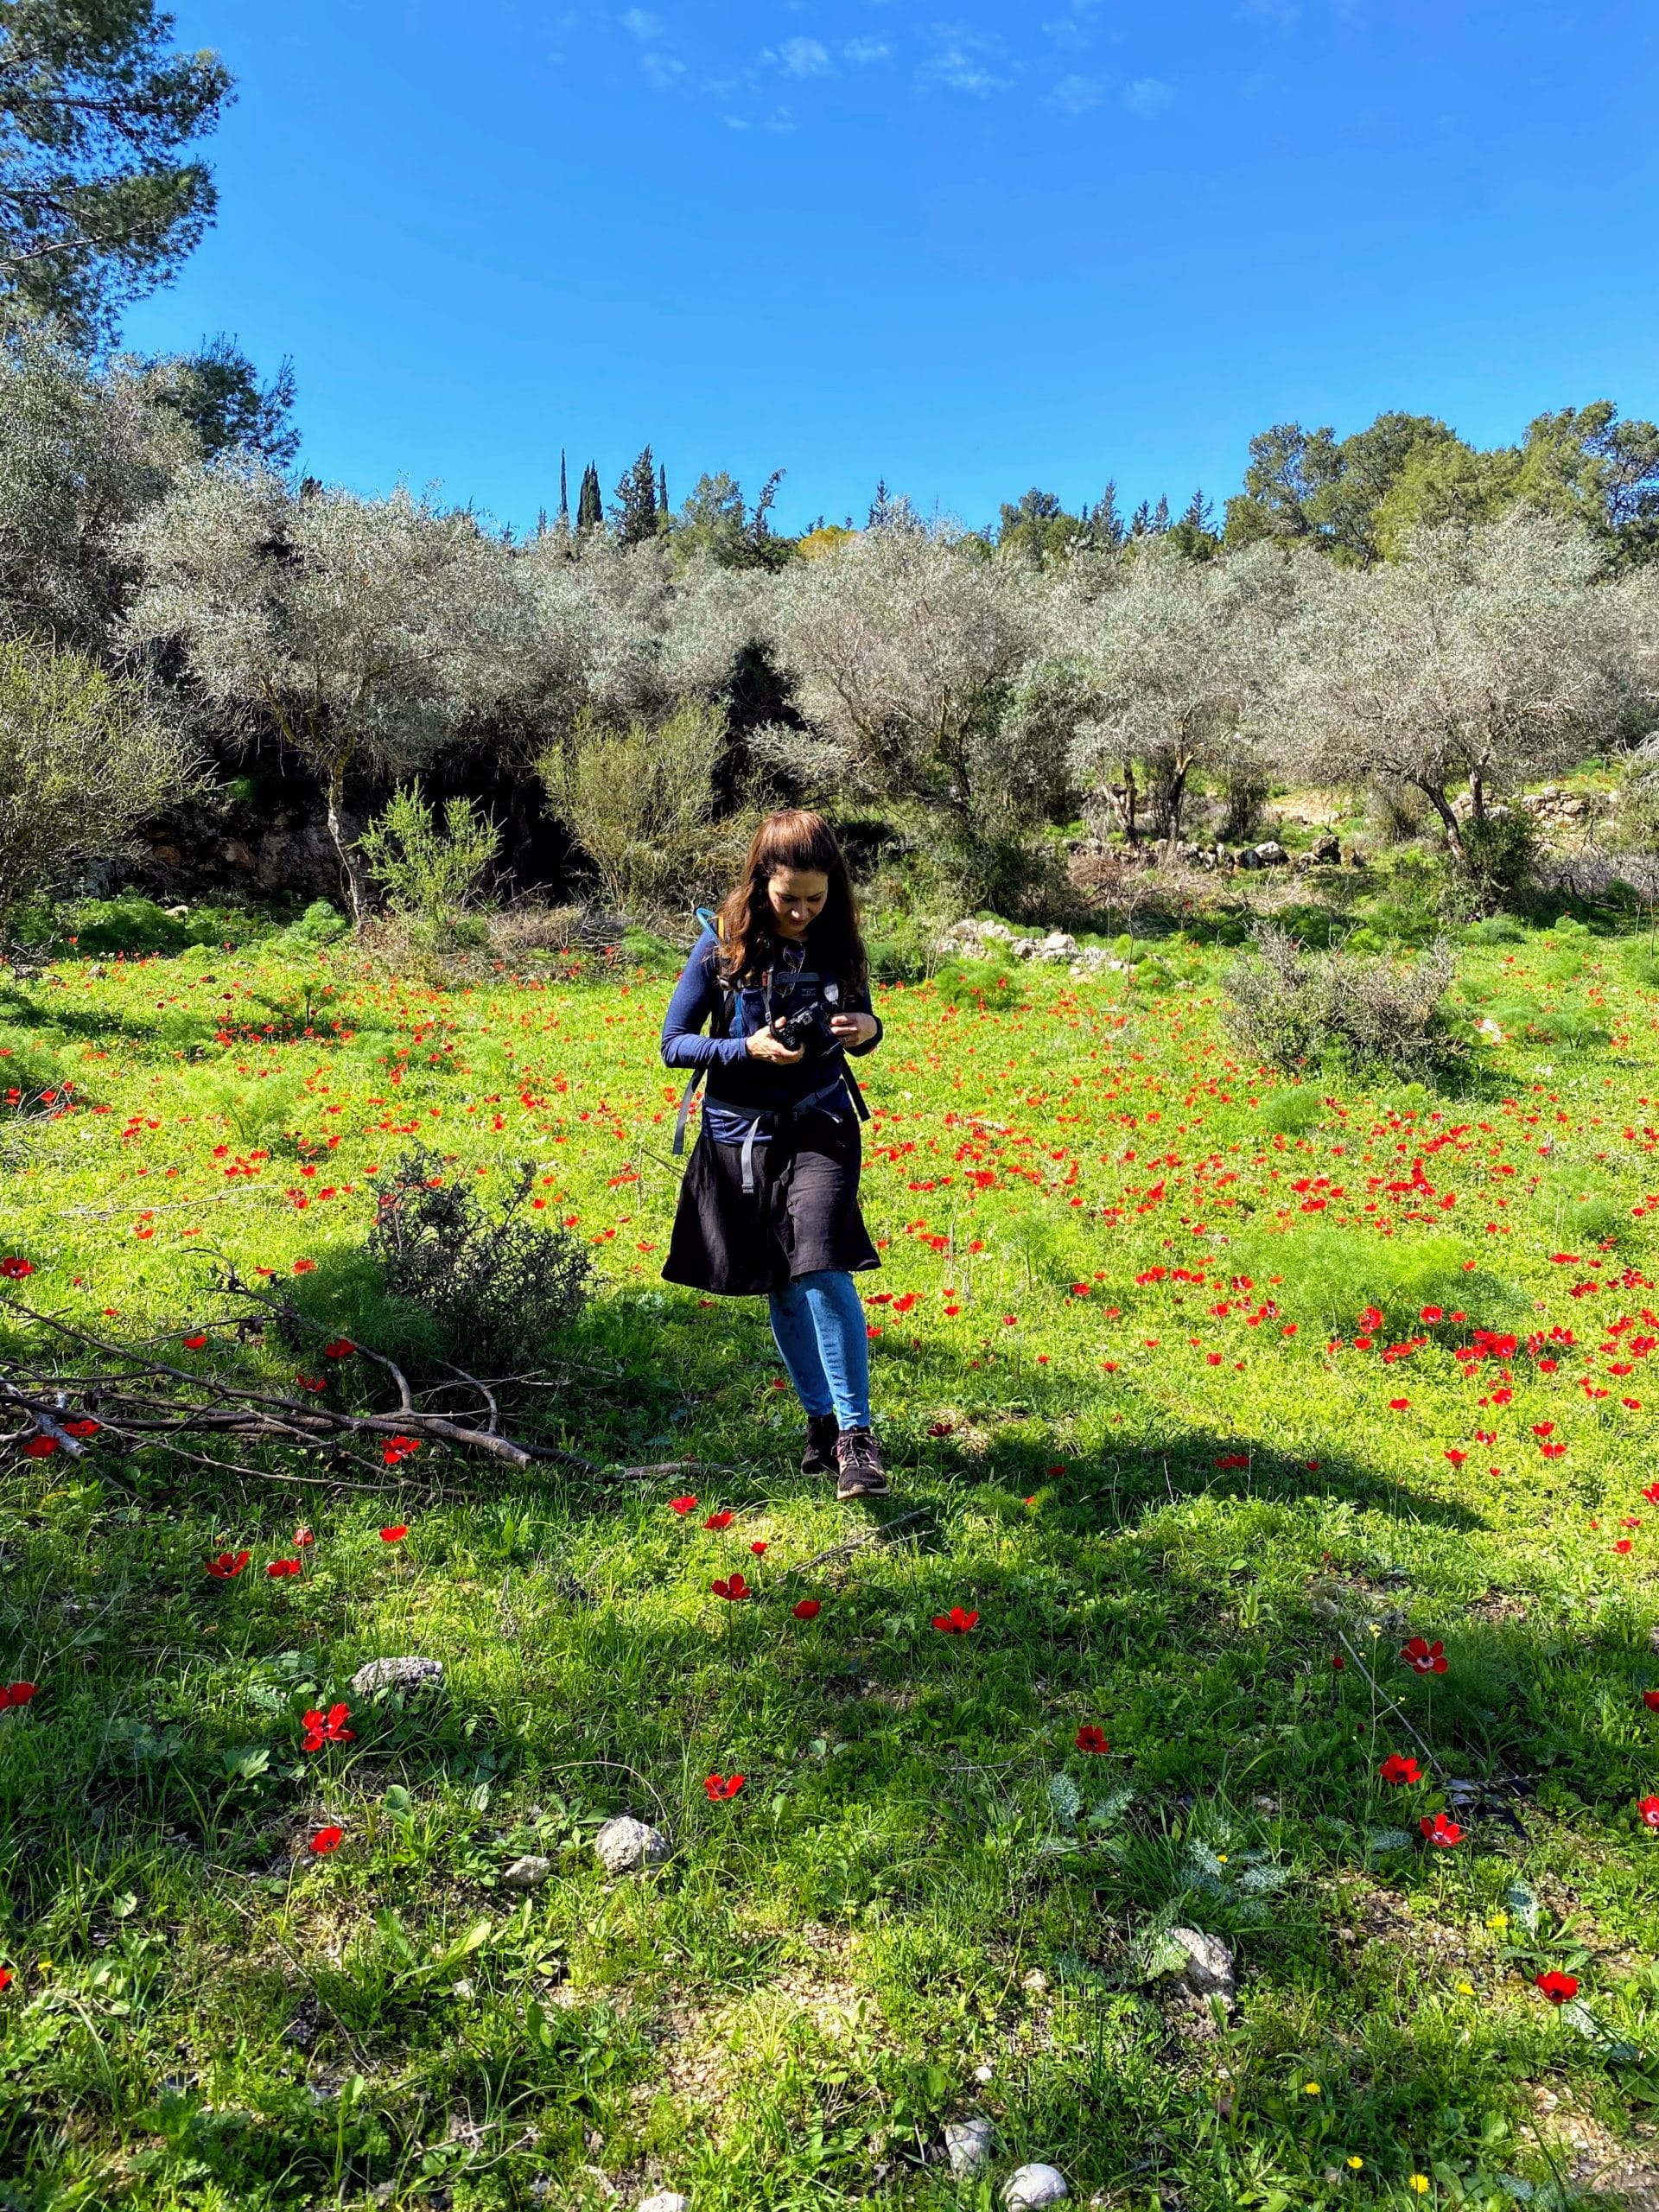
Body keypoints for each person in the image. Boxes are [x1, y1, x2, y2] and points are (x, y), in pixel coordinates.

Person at [660, 810, 890, 1500]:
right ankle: (820, 1424)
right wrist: (746, 1048)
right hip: (741, 1139)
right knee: (784, 1283)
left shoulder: (838, 942)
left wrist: (866, 1028)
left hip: (820, 1122)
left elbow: (865, 1020)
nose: (800, 911)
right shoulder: (719, 948)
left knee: (821, 1263)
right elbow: (674, 1044)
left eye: (816, 898)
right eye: (788, 897)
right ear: (762, 881)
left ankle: (857, 1439)